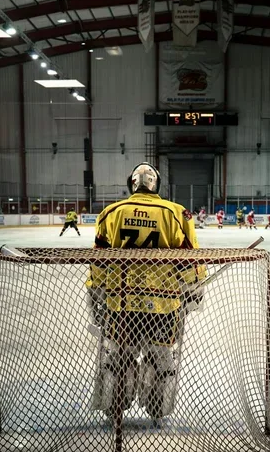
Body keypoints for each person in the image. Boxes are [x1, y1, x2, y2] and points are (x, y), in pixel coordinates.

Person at [87, 162, 205, 420]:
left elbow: (99, 261)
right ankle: (157, 406)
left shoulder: (111, 212)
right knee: (162, 357)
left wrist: (95, 294)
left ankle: (116, 402)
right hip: (164, 306)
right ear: (156, 184)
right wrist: (195, 290)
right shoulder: (177, 213)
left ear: (132, 183)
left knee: (120, 355)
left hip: (121, 304)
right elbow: (190, 259)